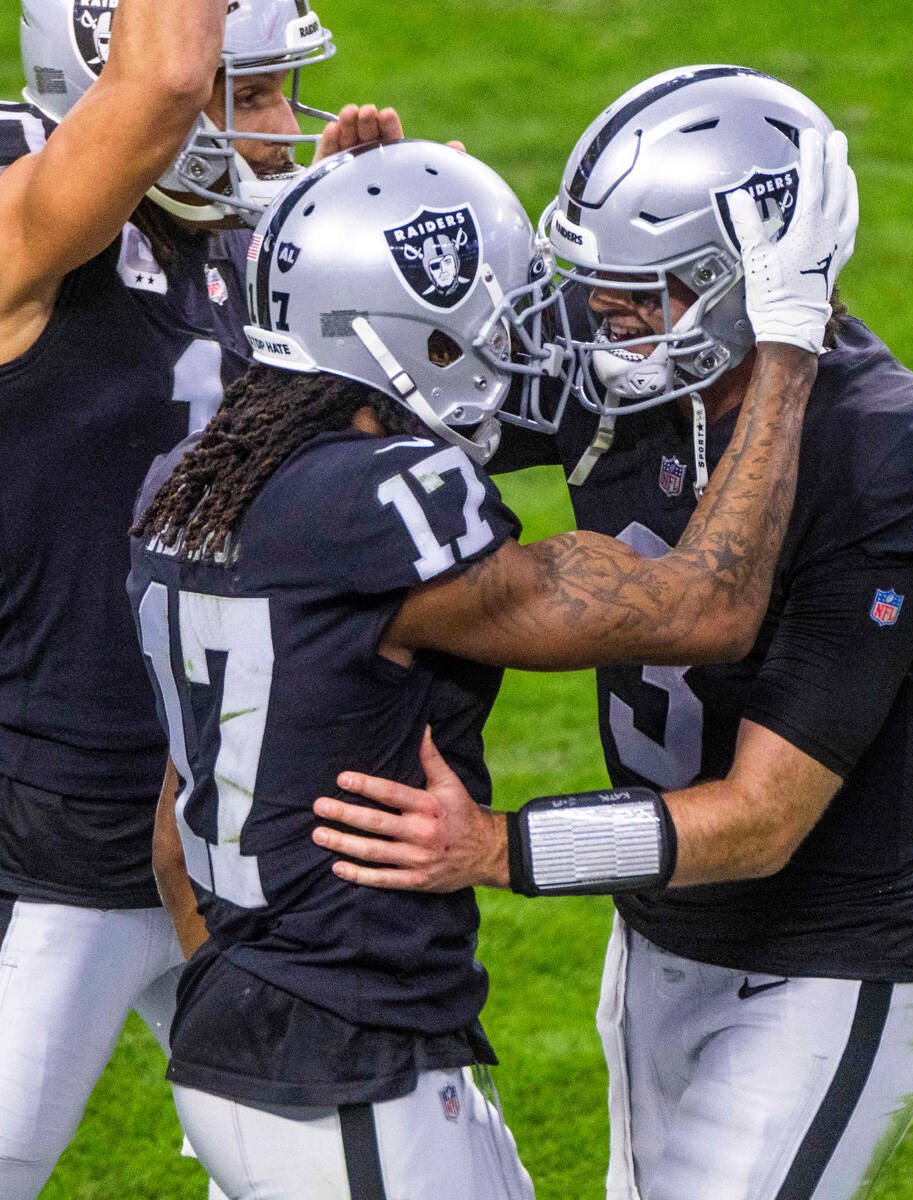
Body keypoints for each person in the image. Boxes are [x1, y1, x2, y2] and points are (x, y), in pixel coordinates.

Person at [310, 66, 913, 1200]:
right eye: (597, 285)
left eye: (651, 290)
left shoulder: (902, 455)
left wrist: (496, 846)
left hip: (826, 965)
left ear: (757, 286)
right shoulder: (619, 373)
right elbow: (367, 415)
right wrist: (358, 229)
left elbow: (766, 819)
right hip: (655, 945)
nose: (603, 318)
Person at [126, 130, 855, 1198]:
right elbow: (710, 604)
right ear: (401, 337)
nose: (518, 346)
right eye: (489, 319)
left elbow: (171, 831)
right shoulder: (386, 505)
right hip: (346, 1068)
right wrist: (787, 341)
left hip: (256, 1041)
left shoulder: (194, 484)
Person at [0, 1, 379, 1193]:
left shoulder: (231, 235)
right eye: (249, 92)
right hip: (50, 842)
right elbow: (163, 88)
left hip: (225, 829)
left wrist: (352, 245)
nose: (276, 129)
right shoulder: (26, 222)